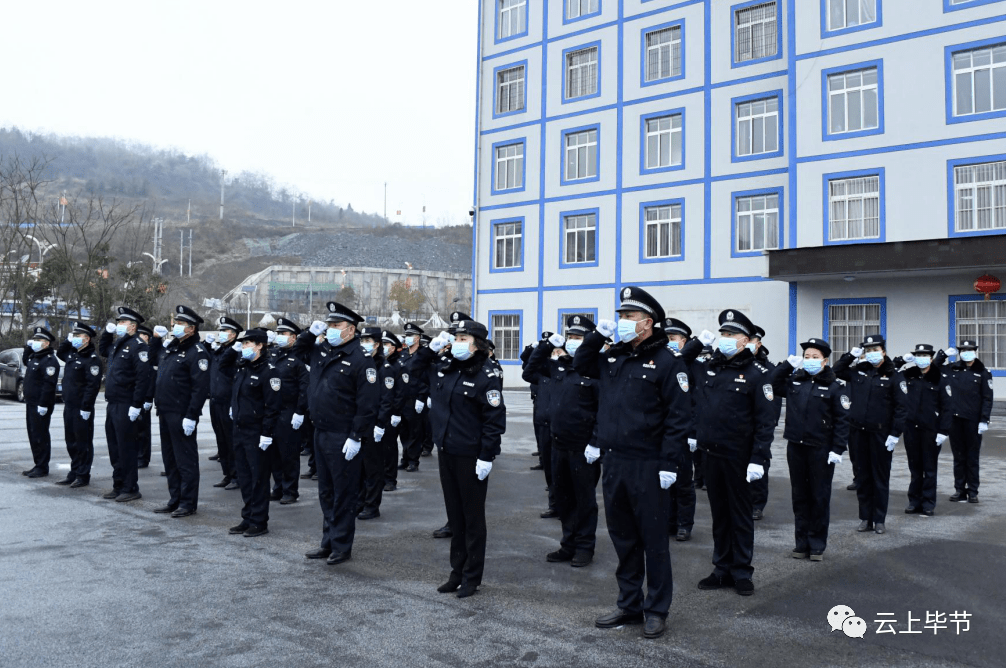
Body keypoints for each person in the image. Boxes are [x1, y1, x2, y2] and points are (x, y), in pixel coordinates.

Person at [571, 287, 690, 639]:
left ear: (648, 322)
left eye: (629, 317)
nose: (623, 322)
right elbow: (579, 364)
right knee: (623, 538)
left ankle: (656, 609)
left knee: (653, 540)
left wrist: (670, 462)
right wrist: (596, 335)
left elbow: (678, 417)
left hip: (650, 464)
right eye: (620, 316)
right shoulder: (613, 356)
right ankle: (629, 604)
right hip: (615, 462)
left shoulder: (669, 361)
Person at [683, 309, 778, 597]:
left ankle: (741, 571)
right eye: (722, 333)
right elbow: (679, 364)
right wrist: (698, 342)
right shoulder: (708, 367)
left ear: (746, 340)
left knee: (740, 515)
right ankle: (721, 568)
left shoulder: (758, 374)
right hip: (711, 454)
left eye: (731, 334)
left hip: (740, 457)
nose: (724, 339)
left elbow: (765, 421)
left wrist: (759, 458)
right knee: (719, 514)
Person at [417, 319, 505, 598]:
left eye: (464, 338)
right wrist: (429, 350)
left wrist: (487, 455)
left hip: (471, 455)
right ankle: (457, 572)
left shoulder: (487, 374)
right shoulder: (446, 367)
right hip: (447, 452)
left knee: (472, 519)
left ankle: (472, 577)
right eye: (456, 338)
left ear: (478, 344)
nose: (458, 343)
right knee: (455, 518)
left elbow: (493, 420)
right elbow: (412, 371)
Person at [300, 302, 379, 565]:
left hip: (343, 435)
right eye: (329, 325)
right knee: (326, 491)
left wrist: (356, 436)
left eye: (336, 326)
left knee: (344, 492)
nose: (331, 330)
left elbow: (368, 404)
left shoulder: (361, 359)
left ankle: (342, 545)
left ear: (351, 330)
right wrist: (311, 333)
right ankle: (328, 541)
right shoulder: (323, 350)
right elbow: (298, 350)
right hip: (320, 431)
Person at [522, 315, 600, 567]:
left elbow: (605, 410)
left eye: (579, 338)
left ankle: (585, 547)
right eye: (571, 337)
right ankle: (568, 544)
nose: (573, 342)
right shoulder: (559, 365)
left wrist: (596, 442)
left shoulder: (596, 370)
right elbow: (529, 372)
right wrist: (546, 345)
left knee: (584, 500)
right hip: (558, 445)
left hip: (583, 447)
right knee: (564, 498)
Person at [771, 338, 850, 560]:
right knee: (799, 496)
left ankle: (816, 545)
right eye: (807, 357)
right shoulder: (796, 381)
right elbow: (771, 384)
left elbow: (843, 420)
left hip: (821, 449)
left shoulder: (835, 387)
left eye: (815, 357)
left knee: (819, 497)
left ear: (825, 361)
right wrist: (787, 365)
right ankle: (801, 543)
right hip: (796, 446)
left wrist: (837, 449)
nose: (810, 361)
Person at [832, 335, 908, 534]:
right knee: (863, 477)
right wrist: (850, 355)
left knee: (880, 478)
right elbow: (836, 371)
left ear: (883, 351)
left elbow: (901, 407)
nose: (872, 354)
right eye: (868, 351)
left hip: (881, 434)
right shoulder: (859, 371)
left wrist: (895, 434)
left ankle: (880, 519)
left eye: (876, 350)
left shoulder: (894, 374)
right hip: (858, 432)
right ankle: (865, 518)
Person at [152, 305, 212, 518]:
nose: (175, 326)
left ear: (191, 329)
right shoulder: (173, 348)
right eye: (175, 323)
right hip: (166, 411)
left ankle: (188, 502)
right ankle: (174, 499)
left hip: (182, 413)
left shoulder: (197, 353)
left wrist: (192, 415)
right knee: (170, 459)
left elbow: (199, 388)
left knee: (185, 460)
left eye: (180, 324)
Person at [228, 329, 283, 537]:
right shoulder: (243, 367)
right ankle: (248, 516)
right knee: (244, 476)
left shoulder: (269, 371)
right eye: (242, 344)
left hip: (257, 432)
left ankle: (259, 521)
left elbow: (272, 406)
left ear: (260, 345)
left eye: (247, 343)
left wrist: (267, 433)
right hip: (240, 429)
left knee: (258, 478)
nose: (244, 347)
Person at [98, 307, 153, 502]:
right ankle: (118, 484)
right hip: (112, 403)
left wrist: (136, 404)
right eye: (119, 322)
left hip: (126, 404)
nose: (119, 325)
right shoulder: (119, 344)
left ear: (132, 325)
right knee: (114, 447)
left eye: (122, 322)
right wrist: (107, 331)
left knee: (126, 447)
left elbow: (142, 378)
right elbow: (103, 349)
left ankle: (130, 487)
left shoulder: (139, 346)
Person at [895, 344, 948, 516]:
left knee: (930, 468)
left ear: (931, 359)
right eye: (918, 355)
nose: (921, 358)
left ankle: (928, 503)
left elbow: (947, 407)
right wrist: (900, 361)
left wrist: (944, 431)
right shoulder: (908, 375)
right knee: (915, 468)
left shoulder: (939, 378)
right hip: (911, 428)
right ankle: (914, 501)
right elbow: (890, 376)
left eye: (925, 355)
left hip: (931, 429)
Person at [939, 339, 993, 504]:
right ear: (959, 352)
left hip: (973, 421)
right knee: (958, 457)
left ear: (975, 351)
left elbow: (987, 398)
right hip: (955, 420)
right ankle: (959, 490)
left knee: (972, 457)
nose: (966, 352)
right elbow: (933, 370)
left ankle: (973, 491)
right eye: (963, 350)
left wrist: (984, 419)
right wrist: (942, 356)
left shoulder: (983, 372)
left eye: (969, 349)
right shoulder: (952, 368)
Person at [54, 323, 104, 488]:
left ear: (87, 339)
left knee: (83, 442)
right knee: (71, 441)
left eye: (78, 336)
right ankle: (74, 471)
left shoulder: (92, 359)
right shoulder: (73, 355)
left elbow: (92, 386)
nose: (74, 339)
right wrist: (67, 341)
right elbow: (60, 352)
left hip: (82, 408)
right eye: (73, 336)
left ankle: (83, 474)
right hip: (69, 405)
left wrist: (86, 407)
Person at [268, 318, 309, 505]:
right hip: (273, 411)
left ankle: (290, 490)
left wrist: (300, 411)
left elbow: (304, 387)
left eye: (283, 334)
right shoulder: (273, 355)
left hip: (289, 412)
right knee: (274, 453)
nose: (279, 337)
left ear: (293, 337)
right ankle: (278, 487)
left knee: (288, 454)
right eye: (278, 333)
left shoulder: (299, 359)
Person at [664, 317, 697, 541]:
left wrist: (694, 433)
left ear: (684, 341)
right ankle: (669, 521)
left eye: (672, 339)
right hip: (664, 431)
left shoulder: (692, 366)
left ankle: (684, 524)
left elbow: (697, 403)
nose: (668, 343)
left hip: (684, 432)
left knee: (683, 482)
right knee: (665, 481)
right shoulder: (662, 363)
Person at [355, 326, 392, 519]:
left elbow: (387, 399)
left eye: (368, 341)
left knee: (373, 468)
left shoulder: (384, 369)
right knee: (359, 467)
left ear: (377, 344)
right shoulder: (363, 364)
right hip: (361, 423)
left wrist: (380, 424)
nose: (364, 344)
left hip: (375, 425)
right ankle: (360, 501)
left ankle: (372, 505)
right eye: (362, 340)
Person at [747, 325, 777, 521]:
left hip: (759, 425)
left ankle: (757, 504)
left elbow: (772, 400)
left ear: (758, 344)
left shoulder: (768, 368)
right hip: (737, 426)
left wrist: (770, 424)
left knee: (759, 463)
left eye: (752, 340)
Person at [21, 327, 60, 479]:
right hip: (31, 403)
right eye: (34, 340)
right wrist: (27, 347)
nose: (35, 343)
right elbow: (25, 360)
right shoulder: (35, 357)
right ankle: (38, 464)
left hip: (40, 404)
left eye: (38, 341)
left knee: (40, 435)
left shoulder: (49, 360)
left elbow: (48, 385)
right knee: (33, 434)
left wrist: (43, 404)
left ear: (46, 343)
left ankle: (42, 466)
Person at [208, 317, 242, 490]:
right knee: (221, 440)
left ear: (234, 335)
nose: (221, 334)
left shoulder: (237, 352)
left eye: (225, 331)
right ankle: (227, 474)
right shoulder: (219, 350)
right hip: (216, 401)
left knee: (231, 440)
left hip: (228, 402)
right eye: (220, 331)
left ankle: (237, 476)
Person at [398, 322, 430, 473]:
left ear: (417, 338)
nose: (407, 338)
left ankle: (413, 460)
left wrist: (422, 397)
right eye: (406, 336)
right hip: (403, 398)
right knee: (404, 431)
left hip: (416, 398)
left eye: (410, 336)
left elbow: (426, 378)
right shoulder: (403, 354)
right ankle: (405, 458)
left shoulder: (423, 355)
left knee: (414, 432)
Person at [380, 331, 407, 493]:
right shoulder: (377, 364)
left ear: (394, 347)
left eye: (387, 344)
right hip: (378, 413)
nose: (384, 348)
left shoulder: (399, 366)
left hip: (391, 414)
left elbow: (400, 393)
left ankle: (390, 479)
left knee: (389, 448)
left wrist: (396, 413)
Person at [134, 323, 161, 470]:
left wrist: (149, 398)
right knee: (134, 429)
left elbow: (151, 377)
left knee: (143, 430)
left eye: (143, 335)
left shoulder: (150, 352)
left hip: (145, 396)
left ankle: (143, 457)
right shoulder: (136, 351)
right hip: (134, 395)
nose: (141, 338)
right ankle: (136, 454)